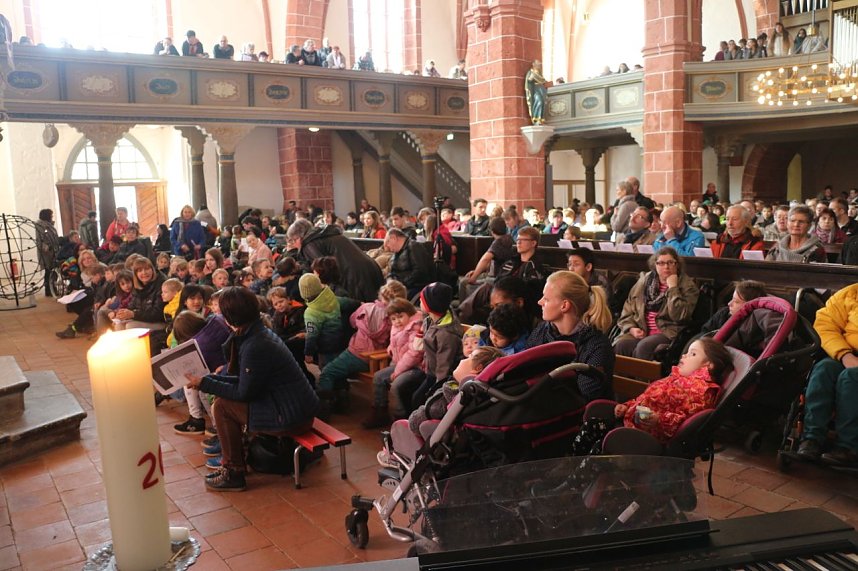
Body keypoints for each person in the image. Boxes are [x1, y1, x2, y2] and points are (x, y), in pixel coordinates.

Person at [185, 287, 319, 491]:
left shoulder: (255, 344)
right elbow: (246, 381)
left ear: (231, 318)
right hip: (294, 406)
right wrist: (209, 379)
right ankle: (235, 459)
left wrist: (205, 383)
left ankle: (233, 471)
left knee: (222, 407)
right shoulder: (257, 332)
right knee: (223, 402)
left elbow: (244, 393)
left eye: (221, 313)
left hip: (291, 415)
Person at [573, 338, 733, 454]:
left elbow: (685, 420)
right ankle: (572, 471)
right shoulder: (677, 378)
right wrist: (627, 406)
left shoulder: (701, 390)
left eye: (692, 354)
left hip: (648, 435)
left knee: (599, 448)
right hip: (631, 422)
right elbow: (646, 398)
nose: (684, 356)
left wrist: (659, 420)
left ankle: (578, 482)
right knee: (590, 427)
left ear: (708, 364)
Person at [794, 284, 858, 467]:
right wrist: (845, 355)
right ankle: (812, 439)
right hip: (846, 354)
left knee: (850, 378)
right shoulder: (851, 293)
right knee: (823, 370)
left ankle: (848, 447)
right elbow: (825, 324)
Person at [526, 271, 614, 400]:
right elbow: (524, 371)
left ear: (564, 305)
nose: (540, 302)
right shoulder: (542, 331)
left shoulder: (597, 345)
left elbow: (586, 394)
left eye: (546, 299)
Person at [615, 247, 699, 360]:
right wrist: (631, 328)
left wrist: (673, 288)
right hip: (642, 328)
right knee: (621, 345)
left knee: (644, 346)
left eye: (670, 262)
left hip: (668, 332)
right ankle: (623, 378)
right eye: (661, 263)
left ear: (677, 264)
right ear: (655, 265)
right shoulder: (644, 281)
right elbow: (628, 308)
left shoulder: (687, 286)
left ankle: (642, 378)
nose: (666, 267)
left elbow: (679, 316)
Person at [287, 218, 384, 302]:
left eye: (292, 240)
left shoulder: (309, 244)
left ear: (299, 238)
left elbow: (322, 269)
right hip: (369, 267)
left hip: (352, 276)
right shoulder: (325, 233)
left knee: (363, 314)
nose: (293, 245)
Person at [364, 297, 425, 428]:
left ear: (409, 314)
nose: (397, 321)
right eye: (393, 319)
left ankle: (402, 418)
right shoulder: (398, 326)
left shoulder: (415, 328)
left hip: (416, 368)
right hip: (401, 365)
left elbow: (414, 354)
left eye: (400, 317)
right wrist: (390, 348)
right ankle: (380, 413)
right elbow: (394, 342)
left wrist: (397, 372)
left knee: (397, 385)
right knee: (378, 377)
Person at [115, 257, 168, 333]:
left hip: (160, 322)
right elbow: (132, 305)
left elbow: (158, 313)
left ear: (152, 269)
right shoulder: (138, 286)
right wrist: (123, 314)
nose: (144, 273)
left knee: (130, 326)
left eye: (146, 269)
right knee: (118, 325)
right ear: (136, 274)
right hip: (144, 319)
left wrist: (133, 314)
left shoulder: (161, 284)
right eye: (140, 270)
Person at [700, 280, 766, 334]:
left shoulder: (756, 325)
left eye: (736, 301)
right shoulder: (723, 313)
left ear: (750, 305)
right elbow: (704, 332)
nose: (729, 303)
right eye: (732, 299)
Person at [385, 229, 435, 299]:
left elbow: (420, 271)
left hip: (415, 287)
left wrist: (401, 284)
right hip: (400, 286)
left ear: (394, 238)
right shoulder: (396, 252)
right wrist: (389, 279)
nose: (386, 246)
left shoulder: (414, 246)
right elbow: (392, 271)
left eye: (387, 242)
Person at [34, 208, 59, 297]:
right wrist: (48, 248)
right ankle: (50, 290)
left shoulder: (48, 225)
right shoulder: (41, 226)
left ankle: (51, 289)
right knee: (49, 271)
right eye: (51, 215)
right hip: (47, 253)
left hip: (52, 251)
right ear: (46, 216)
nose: (52, 217)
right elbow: (40, 241)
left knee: (51, 271)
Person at [525, 59, 548, 125]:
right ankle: (536, 119)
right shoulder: (531, 72)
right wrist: (530, 78)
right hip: (535, 90)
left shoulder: (540, 74)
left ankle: (541, 119)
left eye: (540, 63)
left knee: (543, 103)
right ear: (533, 64)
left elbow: (543, 81)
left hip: (542, 89)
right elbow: (528, 81)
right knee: (539, 101)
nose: (539, 64)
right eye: (538, 63)